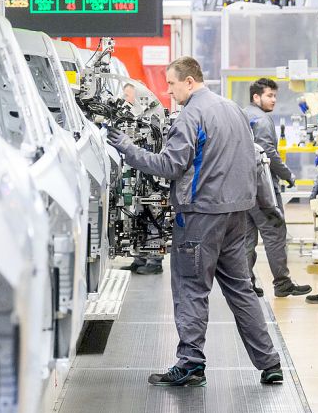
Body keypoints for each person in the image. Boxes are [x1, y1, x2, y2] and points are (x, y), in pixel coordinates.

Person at [107, 56, 283, 387]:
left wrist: (127, 149)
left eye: (171, 84)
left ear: (189, 81)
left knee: (191, 287)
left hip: (201, 216)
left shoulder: (191, 115)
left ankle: (190, 363)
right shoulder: (232, 108)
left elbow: (170, 166)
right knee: (241, 289)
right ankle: (270, 362)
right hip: (236, 215)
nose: (168, 91)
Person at [243, 78, 312, 298]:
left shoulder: (243, 115)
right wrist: (288, 175)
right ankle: (282, 284)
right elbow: (268, 154)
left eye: (275, 96)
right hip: (262, 188)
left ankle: (246, 284)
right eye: (269, 95)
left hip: (243, 188)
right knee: (275, 232)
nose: (273, 100)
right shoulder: (262, 120)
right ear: (257, 97)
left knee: (247, 237)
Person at [120, 82, 164, 275]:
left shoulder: (154, 118)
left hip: (153, 178)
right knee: (138, 216)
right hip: (140, 175)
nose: (125, 100)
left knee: (153, 216)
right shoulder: (138, 117)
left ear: (140, 97)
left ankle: (154, 262)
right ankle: (139, 259)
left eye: (128, 96)